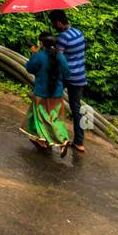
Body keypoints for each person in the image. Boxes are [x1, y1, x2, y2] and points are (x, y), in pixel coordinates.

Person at [23, 34, 72, 155]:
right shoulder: (61, 57)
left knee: (40, 118)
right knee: (55, 118)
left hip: (41, 93)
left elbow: (29, 68)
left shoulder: (39, 56)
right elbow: (67, 73)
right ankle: (62, 139)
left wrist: (34, 54)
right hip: (57, 94)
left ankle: (48, 139)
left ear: (41, 44)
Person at [49, 10, 88, 152]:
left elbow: (59, 59)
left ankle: (49, 135)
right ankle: (79, 142)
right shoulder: (79, 33)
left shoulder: (62, 38)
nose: (54, 26)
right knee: (76, 108)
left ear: (58, 23)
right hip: (80, 76)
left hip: (66, 76)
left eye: (54, 23)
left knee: (51, 101)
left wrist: (51, 49)